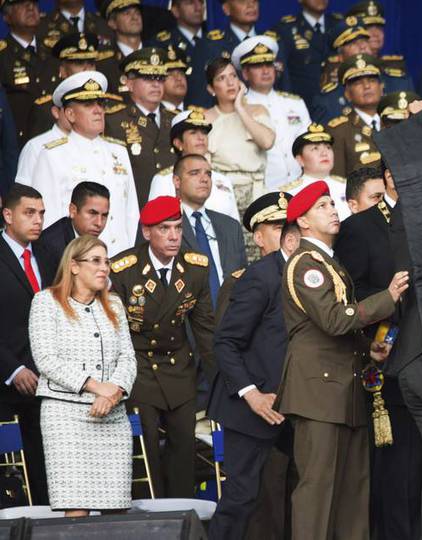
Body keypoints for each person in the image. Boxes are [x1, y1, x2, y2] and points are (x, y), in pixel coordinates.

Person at [277, 180, 406, 539]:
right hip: (319, 394)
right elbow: (334, 319)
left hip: (342, 390)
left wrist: (368, 348)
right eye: (321, 207)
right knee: (317, 492)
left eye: (332, 204)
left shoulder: (328, 262)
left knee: (353, 492)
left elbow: (337, 327)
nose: (333, 211)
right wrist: (387, 297)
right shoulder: (307, 263)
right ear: (303, 222)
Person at [334, 172, 422, 540]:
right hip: (390, 358)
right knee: (399, 469)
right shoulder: (360, 227)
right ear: (391, 175)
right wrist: (388, 310)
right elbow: (352, 292)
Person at [109, 195, 215, 498]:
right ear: (147, 232)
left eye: (178, 228)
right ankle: (150, 511)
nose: (173, 236)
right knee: (148, 448)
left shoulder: (195, 267)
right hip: (139, 367)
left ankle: (182, 509)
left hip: (178, 365)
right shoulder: (124, 269)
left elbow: (205, 329)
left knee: (184, 447)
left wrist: (222, 378)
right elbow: (116, 333)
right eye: (164, 228)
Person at [206, 192, 297, 540]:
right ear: (259, 237)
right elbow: (225, 342)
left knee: (294, 492)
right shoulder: (253, 277)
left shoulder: (305, 273)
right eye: (277, 226)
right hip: (251, 404)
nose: (288, 233)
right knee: (242, 496)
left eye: (291, 225)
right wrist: (252, 394)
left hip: (293, 401)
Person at [28, 235, 137, 516]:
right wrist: (97, 387)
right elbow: (46, 359)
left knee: (116, 508)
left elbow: (128, 357)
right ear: (74, 266)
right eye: (96, 261)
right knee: (76, 509)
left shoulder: (114, 304)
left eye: (106, 262)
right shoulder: (46, 302)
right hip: (65, 418)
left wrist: (113, 392)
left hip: (112, 415)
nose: (104, 268)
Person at [30, 71, 138, 257]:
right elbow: (48, 219)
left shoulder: (119, 152)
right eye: (88, 105)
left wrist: (128, 256)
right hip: (78, 258)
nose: (98, 110)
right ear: (70, 114)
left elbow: (131, 212)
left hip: (120, 256)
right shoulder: (52, 155)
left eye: (100, 103)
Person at [0, 183, 56, 505]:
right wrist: (13, 369)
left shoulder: (48, 254)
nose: (38, 220)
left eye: (42, 213)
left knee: (44, 469)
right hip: (6, 380)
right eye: (29, 213)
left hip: (45, 379)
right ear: (8, 215)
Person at [233, 36, 310, 189]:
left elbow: (308, 143)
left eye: (269, 64)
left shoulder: (295, 103)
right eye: (257, 66)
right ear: (245, 73)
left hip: (300, 184)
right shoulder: (240, 106)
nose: (265, 70)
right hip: (263, 187)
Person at [204, 56, 275, 221]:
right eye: (221, 78)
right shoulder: (205, 118)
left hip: (256, 193)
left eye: (233, 76)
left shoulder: (257, 111)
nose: (230, 82)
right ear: (211, 88)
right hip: (221, 194)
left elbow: (267, 142)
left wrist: (239, 108)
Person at [104, 47, 177, 208]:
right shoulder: (114, 121)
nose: (156, 84)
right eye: (147, 78)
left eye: (160, 78)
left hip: (173, 209)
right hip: (134, 207)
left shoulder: (175, 120)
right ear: (130, 84)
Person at [174, 153, 247, 307]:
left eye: (208, 174)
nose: (204, 179)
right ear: (177, 181)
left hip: (230, 315)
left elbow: (243, 279)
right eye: (194, 173)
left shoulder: (230, 226)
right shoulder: (163, 224)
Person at [148, 109, 241, 222]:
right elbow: (155, 224)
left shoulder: (223, 180)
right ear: (178, 143)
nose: (201, 137)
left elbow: (234, 226)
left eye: (204, 133)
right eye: (193, 132)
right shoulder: (163, 180)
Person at [1, 0, 60, 143]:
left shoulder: (53, 50)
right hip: (21, 141)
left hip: (57, 138)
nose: (30, 7)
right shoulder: (3, 56)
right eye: (21, 3)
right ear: (7, 17)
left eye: (33, 2)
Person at [271, 0, 342, 103]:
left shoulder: (339, 24)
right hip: (303, 103)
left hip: (338, 103)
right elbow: (284, 77)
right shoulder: (285, 29)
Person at [326, 54, 383, 178]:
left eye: (372, 80)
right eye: (358, 83)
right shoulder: (339, 130)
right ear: (347, 94)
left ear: (381, 88)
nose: (367, 86)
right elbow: (337, 179)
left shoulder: (396, 122)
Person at [278, 123, 349, 213]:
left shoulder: (346, 186)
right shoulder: (289, 193)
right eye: (315, 148)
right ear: (300, 159)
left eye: (328, 147)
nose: (324, 153)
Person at [39, 181, 110, 262]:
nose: (99, 223)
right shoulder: (51, 246)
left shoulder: (93, 242)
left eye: (104, 215)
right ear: (73, 210)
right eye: (92, 213)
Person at [159, 45, 187, 113]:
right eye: (170, 74)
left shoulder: (197, 115)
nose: (179, 78)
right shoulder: (152, 116)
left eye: (181, 73)